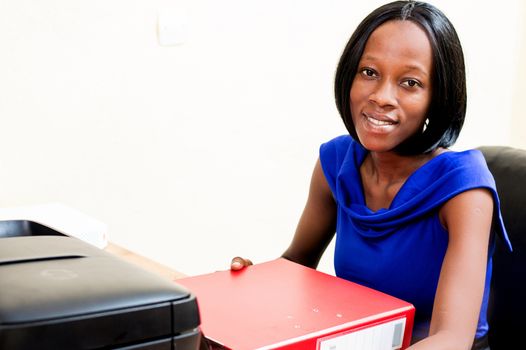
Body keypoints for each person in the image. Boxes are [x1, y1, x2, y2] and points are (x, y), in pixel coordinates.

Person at [231, 1, 511, 349]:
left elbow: (451, 339)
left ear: (437, 97)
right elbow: (296, 264)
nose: (381, 97)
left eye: (410, 82)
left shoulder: (464, 189)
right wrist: (245, 286)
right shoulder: (335, 164)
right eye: (369, 73)